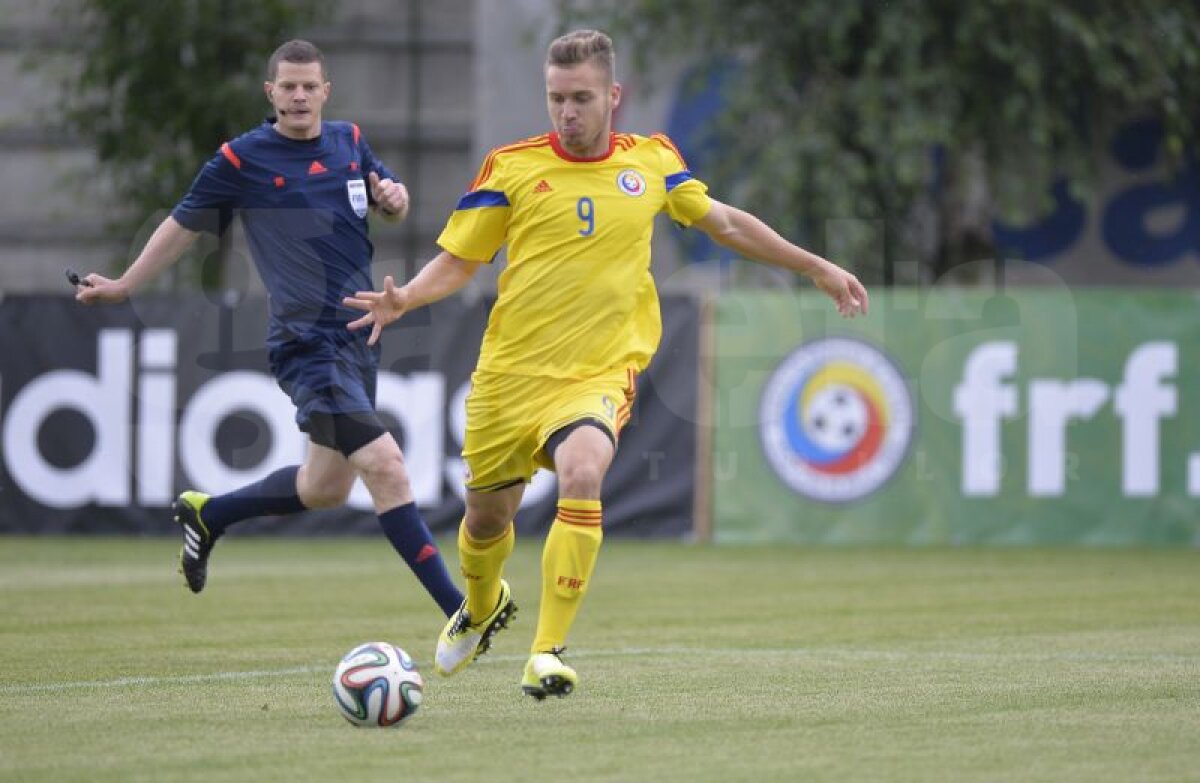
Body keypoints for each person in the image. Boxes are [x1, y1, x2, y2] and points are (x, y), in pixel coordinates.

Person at [343, 29, 869, 700]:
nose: (567, 112)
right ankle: (480, 606)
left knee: (583, 471)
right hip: (510, 375)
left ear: (613, 96)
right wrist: (408, 297)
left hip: (597, 371)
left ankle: (546, 651)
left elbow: (726, 224)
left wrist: (816, 265)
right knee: (485, 519)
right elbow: (464, 258)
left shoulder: (652, 162)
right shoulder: (510, 166)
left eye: (581, 97)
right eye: (556, 98)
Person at [73, 39, 464, 620]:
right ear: (271, 92)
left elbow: (391, 203)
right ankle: (462, 612)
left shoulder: (350, 142)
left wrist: (397, 198)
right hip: (307, 346)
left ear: (326, 91)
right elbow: (181, 225)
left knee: (326, 488)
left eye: (310, 85)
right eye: (289, 86)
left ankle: (211, 514)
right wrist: (128, 283)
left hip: (360, 339)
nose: (300, 95)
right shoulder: (242, 159)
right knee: (386, 465)